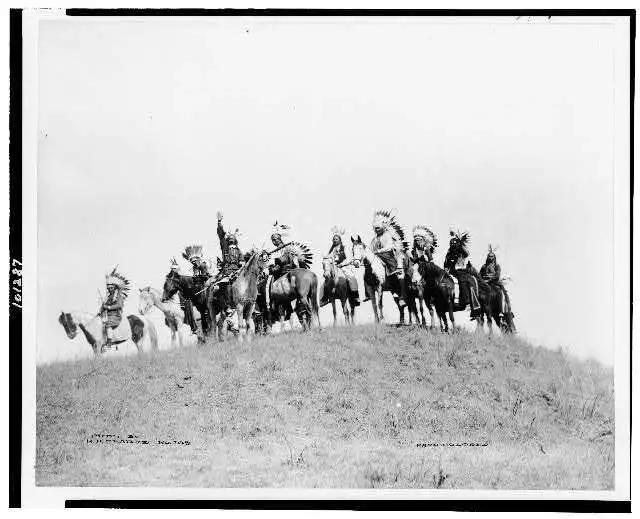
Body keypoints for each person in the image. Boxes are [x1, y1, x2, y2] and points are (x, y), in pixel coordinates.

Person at [370, 210, 409, 307]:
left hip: (387, 255)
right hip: (377, 257)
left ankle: (399, 292)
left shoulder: (387, 235)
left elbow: (389, 247)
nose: (377, 230)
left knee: (393, 269)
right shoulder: (374, 239)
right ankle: (368, 291)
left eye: (378, 228)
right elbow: (371, 249)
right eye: (376, 228)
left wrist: (379, 251)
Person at [443, 230, 481, 318]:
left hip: (462, 271)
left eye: (454, 244)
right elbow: (445, 264)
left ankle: (466, 299)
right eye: (451, 244)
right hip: (451, 272)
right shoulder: (449, 254)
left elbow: (467, 253)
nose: (452, 245)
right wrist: (445, 271)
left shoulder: (461, 252)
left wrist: (460, 243)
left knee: (463, 281)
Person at [321, 226, 360, 306]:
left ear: (340, 240)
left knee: (351, 278)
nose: (335, 240)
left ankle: (355, 296)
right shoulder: (332, 250)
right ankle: (325, 298)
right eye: (334, 239)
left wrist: (341, 264)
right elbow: (329, 258)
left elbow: (349, 258)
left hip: (343, 267)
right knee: (325, 281)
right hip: (334, 267)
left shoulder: (345, 248)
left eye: (336, 239)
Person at [210, 211, 245, 300]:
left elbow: (242, 259)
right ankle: (226, 303)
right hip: (227, 270)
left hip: (238, 270)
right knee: (224, 285)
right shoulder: (225, 248)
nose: (231, 240)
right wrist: (219, 223)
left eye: (233, 239)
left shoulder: (238, 250)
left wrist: (242, 263)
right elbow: (221, 235)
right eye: (230, 238)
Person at [99, 268, 130, 347]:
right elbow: (104, 306)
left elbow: (119, 305)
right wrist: (102, 307)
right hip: (107, 315)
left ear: (115, 287)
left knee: (108, 325)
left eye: (111, 288)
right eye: (108, 288)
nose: (109, 290)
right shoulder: (108, 297)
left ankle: (109, 342)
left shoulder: (119, 296)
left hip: (115, 315)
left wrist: (108, 307)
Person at [479, 245, 513, 316]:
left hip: (494, 282)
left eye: (492, 256)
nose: (490, 258)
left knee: (500, 292)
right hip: (485, 283)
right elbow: (480, 275)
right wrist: (482, 279)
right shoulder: (484, 266)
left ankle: (501, 310)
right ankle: (477, 311)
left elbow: (497, 276)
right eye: (489, 256)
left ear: (494, 257)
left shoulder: (497, 266)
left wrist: (489, 278)